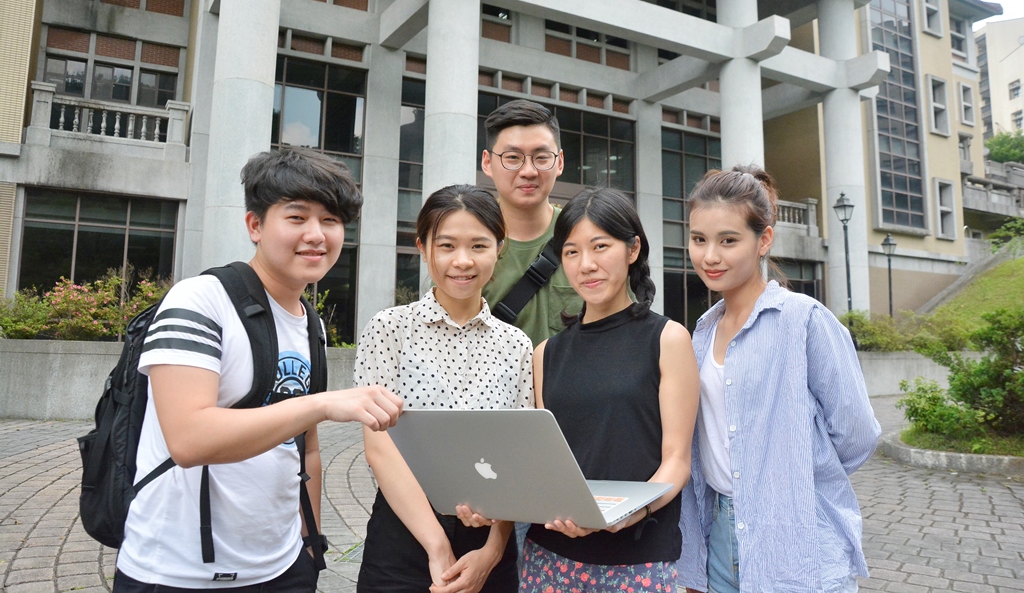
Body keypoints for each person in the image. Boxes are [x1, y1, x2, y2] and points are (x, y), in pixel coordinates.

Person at [114, 148, 403, 592]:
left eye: (330, 220)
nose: (316, 235)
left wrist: (310, 545)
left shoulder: (310, 324)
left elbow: (306, 448)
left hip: (282, 568)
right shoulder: (200, 300)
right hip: (178, 572)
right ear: (255, 225)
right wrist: (323, 404)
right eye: (297, 217)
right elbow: (189, 439)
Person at [677, 166, 881, 593]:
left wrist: (792, 476)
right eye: (699, 239)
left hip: (796, 536)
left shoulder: (804, 320)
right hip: (718, 534)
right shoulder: (701, 332)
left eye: (728, 240)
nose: (709, 256)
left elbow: (857, 434)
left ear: (764, 240)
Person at [517, 187, 700, 592]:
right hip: (549, 557)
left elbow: (677, 461)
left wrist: (634, 511)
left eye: (600, 246)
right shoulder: (546, 353)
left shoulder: (668, 339)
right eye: (571, 252)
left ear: (633, 249)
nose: (586, 265)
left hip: (638, 559)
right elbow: (551, 461)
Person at [354, 184, 534, 593]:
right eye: (447, 245)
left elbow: (517, 454)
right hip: (403, 536)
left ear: (499, 248)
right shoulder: (390, 329)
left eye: (478, 246)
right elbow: (378, 447)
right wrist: (436, 545)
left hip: (488, 540)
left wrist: (492, 552)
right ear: (423, 247)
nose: (462, 261)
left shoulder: (516, 345)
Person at [481, 99, 583, 348]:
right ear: (487, 162)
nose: (528, 171)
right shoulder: (465, 244)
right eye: (512, 157)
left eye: (541, 157)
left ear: (559, 162)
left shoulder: (587, 237)